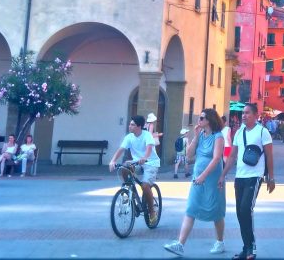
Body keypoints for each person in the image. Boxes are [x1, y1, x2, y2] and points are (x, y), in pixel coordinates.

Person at [163, 108, 227, 256]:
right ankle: (180, 244)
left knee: (216, 211)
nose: (199, 120)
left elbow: (217, 158)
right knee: (191, 208)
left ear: (209, 120)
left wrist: (204, 176)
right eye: (199, 117)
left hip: (211, 178)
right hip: (197, 178)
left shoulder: (218, 137)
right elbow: (189, 154)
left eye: (202, 118)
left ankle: (220, 242)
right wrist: (196, 137)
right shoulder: (201, 135)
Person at [221, 103, 274, 260]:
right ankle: (246, 248)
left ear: (256, 115)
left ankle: (252, 248)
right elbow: (232, 156)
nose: (244, 115)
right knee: (239, 212)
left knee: (246, 209)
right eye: (243, 113)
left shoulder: (263, 132)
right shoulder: (239, 133)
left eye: (247, 113)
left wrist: (271, 177)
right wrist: (223, 174)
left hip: (255, 176)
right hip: (240, 176)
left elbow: (270, 155)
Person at [108, 115, 161, 224]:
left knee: (145, 186)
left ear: (139, 126)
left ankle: (152, 212)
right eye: (130, 124)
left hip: (151, 163)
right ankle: (128, 189)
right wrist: (112, 160)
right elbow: (121, 149)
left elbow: (149, 148)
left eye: (132, 125)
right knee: (124, 167)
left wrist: (145, 158)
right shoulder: (129, 137)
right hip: (137, 162)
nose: (129, 126)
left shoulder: (147, 135)